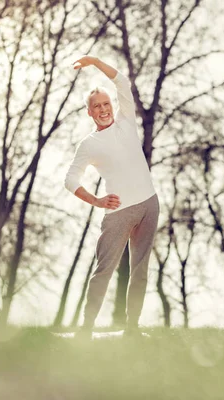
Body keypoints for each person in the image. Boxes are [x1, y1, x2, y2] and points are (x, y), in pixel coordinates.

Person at [64, 56, 159, 338]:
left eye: (106, 104)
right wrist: (96, 200)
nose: (104, 109)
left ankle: (132, 328)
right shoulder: (89, 144)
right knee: (104, 270)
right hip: (118, 213)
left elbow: (122, 82)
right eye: (97, 107)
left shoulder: (126, 122)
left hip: (149, 205)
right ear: (90, 113)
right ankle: (86, 329)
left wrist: (94, 61)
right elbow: (70, 180)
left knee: (140, 270)